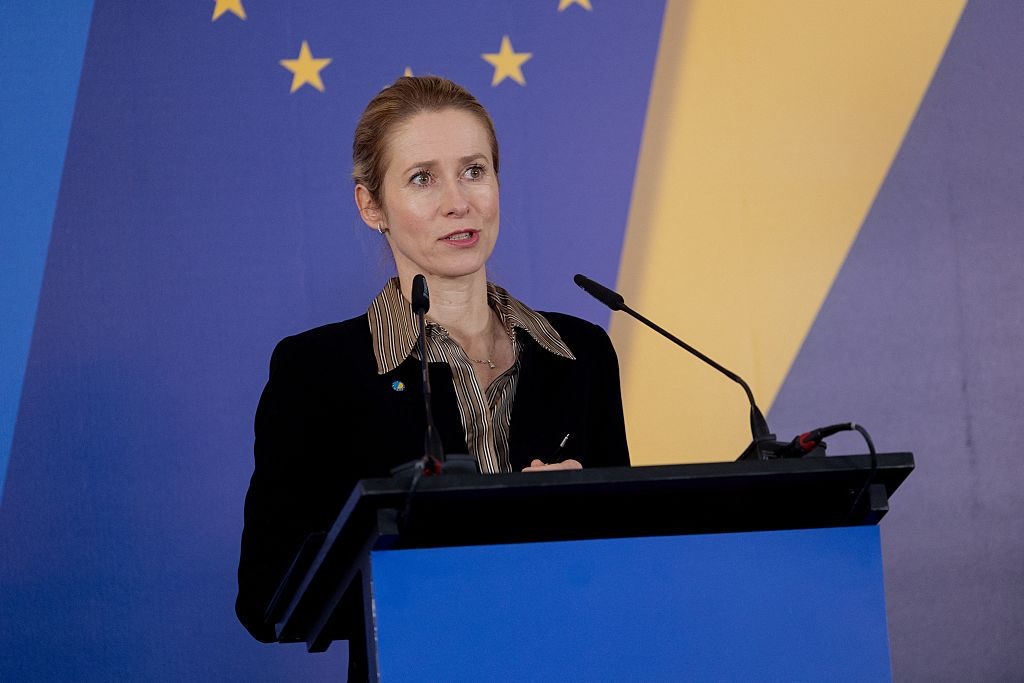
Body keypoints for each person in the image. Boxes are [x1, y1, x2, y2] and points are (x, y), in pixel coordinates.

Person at [236, 75, 629, 643]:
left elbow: (626, 560)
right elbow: (267, 600)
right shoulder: (316, 373)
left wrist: (582, 520)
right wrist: (454, 552)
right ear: (372, 206)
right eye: (423, 178)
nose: (458, 203)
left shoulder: (581, 352)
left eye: (474, 171)